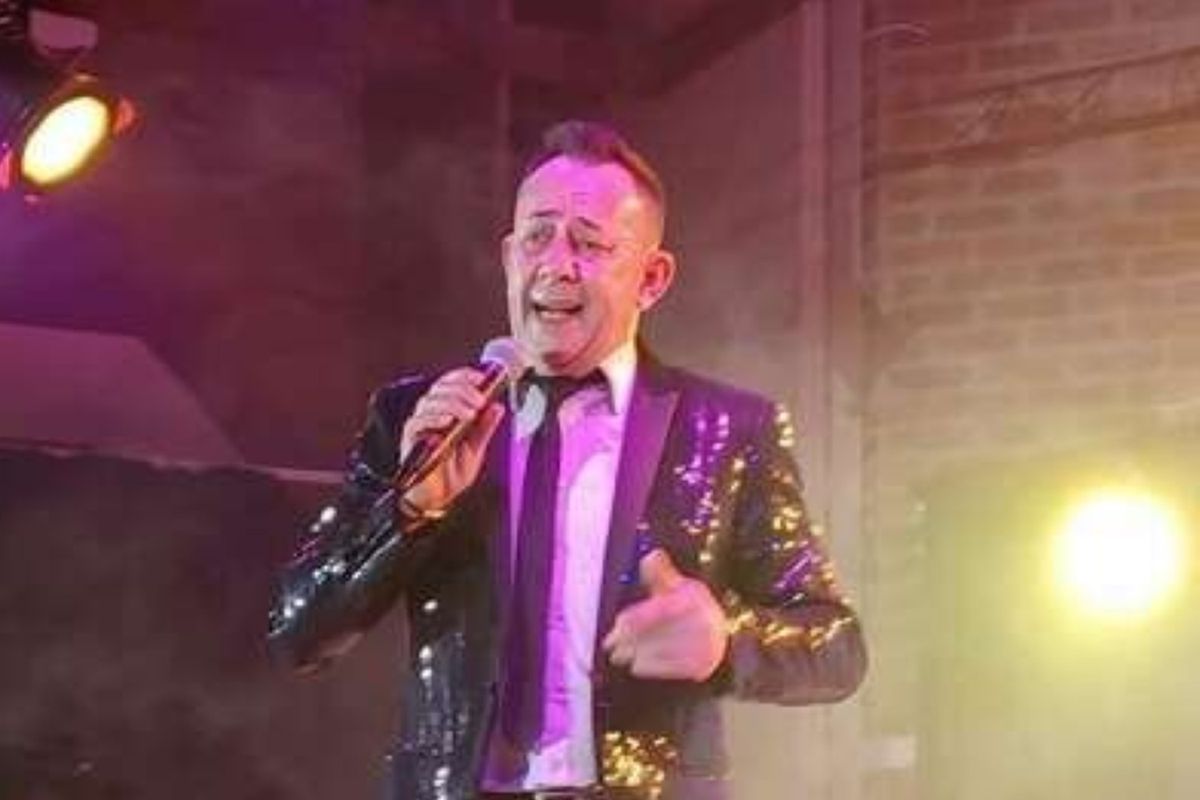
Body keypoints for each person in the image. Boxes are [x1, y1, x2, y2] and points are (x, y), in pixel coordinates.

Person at [268, 120, 866, 800]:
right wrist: (408, 511)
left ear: (652, 278)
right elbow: (298, 631)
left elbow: (837, 646)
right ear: (508, 258)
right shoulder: (420, 418)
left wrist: (727, 641)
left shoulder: (727, 429)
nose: (556, 264)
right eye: (537, 237)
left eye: (589, 243)